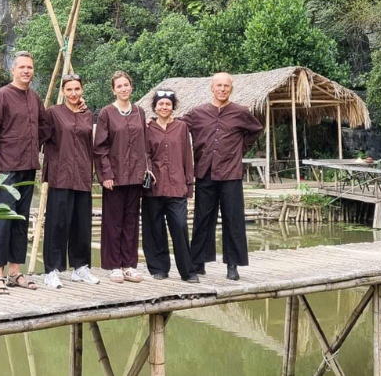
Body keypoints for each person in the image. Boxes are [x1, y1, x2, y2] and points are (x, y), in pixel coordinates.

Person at [180, 72, 263, 280]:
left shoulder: (241, 113)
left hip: (230, 173)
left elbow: (256, 130)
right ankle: (198, 262)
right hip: (205, 172)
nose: (222, 89)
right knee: (202, 218)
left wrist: (240, 150)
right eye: (219, 85)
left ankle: (232, 265)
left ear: (231, 89)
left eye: (226, 86)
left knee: (233, 219)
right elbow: (178, 127)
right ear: (212, 87)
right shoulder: (198, 113)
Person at [0, 51, 45, 294]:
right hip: (6, 169)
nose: (26, 71)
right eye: (22, 67)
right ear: (13, 70)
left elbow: (45, 127)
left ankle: (14, 272)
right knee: (3, 220)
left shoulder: (34, 98)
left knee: (21, 220)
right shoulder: (2, 96)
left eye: (30, 67)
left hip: (28, 167)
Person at [40, 74, 100, 289]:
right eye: (69, 90)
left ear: (82, 90)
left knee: (81, 223)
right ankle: (51, 270)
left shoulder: (87, 114)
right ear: (63, 92)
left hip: (82, 174)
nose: (74, 93)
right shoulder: (53, 114)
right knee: (57, 224)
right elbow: (39, 136)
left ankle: (80, 267)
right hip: (60, 175)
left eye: (77, 89)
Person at [94, 71, 148, 283]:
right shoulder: (107, 113)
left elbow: (145, 145)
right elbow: (100, 147)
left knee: (131, 222)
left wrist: (145, 170)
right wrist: (106, 174)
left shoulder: (139, 112)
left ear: (131, 87)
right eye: (119, 86)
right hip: (114, 177)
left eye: (127, 85)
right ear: (113, 89)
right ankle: (114, 265)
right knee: (113, 222)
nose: (124, 89)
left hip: (135, 176)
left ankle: (128, 265)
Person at [141, 90, 199, 283]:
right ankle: (159, 268)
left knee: (180, 226)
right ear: (155, 107)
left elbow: (187, 157)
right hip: (154, 188)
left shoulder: (182, 128)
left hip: (177, 186)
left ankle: (187, 272)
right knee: (155, 229)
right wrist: (148, 170)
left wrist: (189, 184)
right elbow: (145, 154)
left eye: (167, 104)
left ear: (173, 106)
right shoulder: (148, 128)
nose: (164, 107)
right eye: (160, 104)